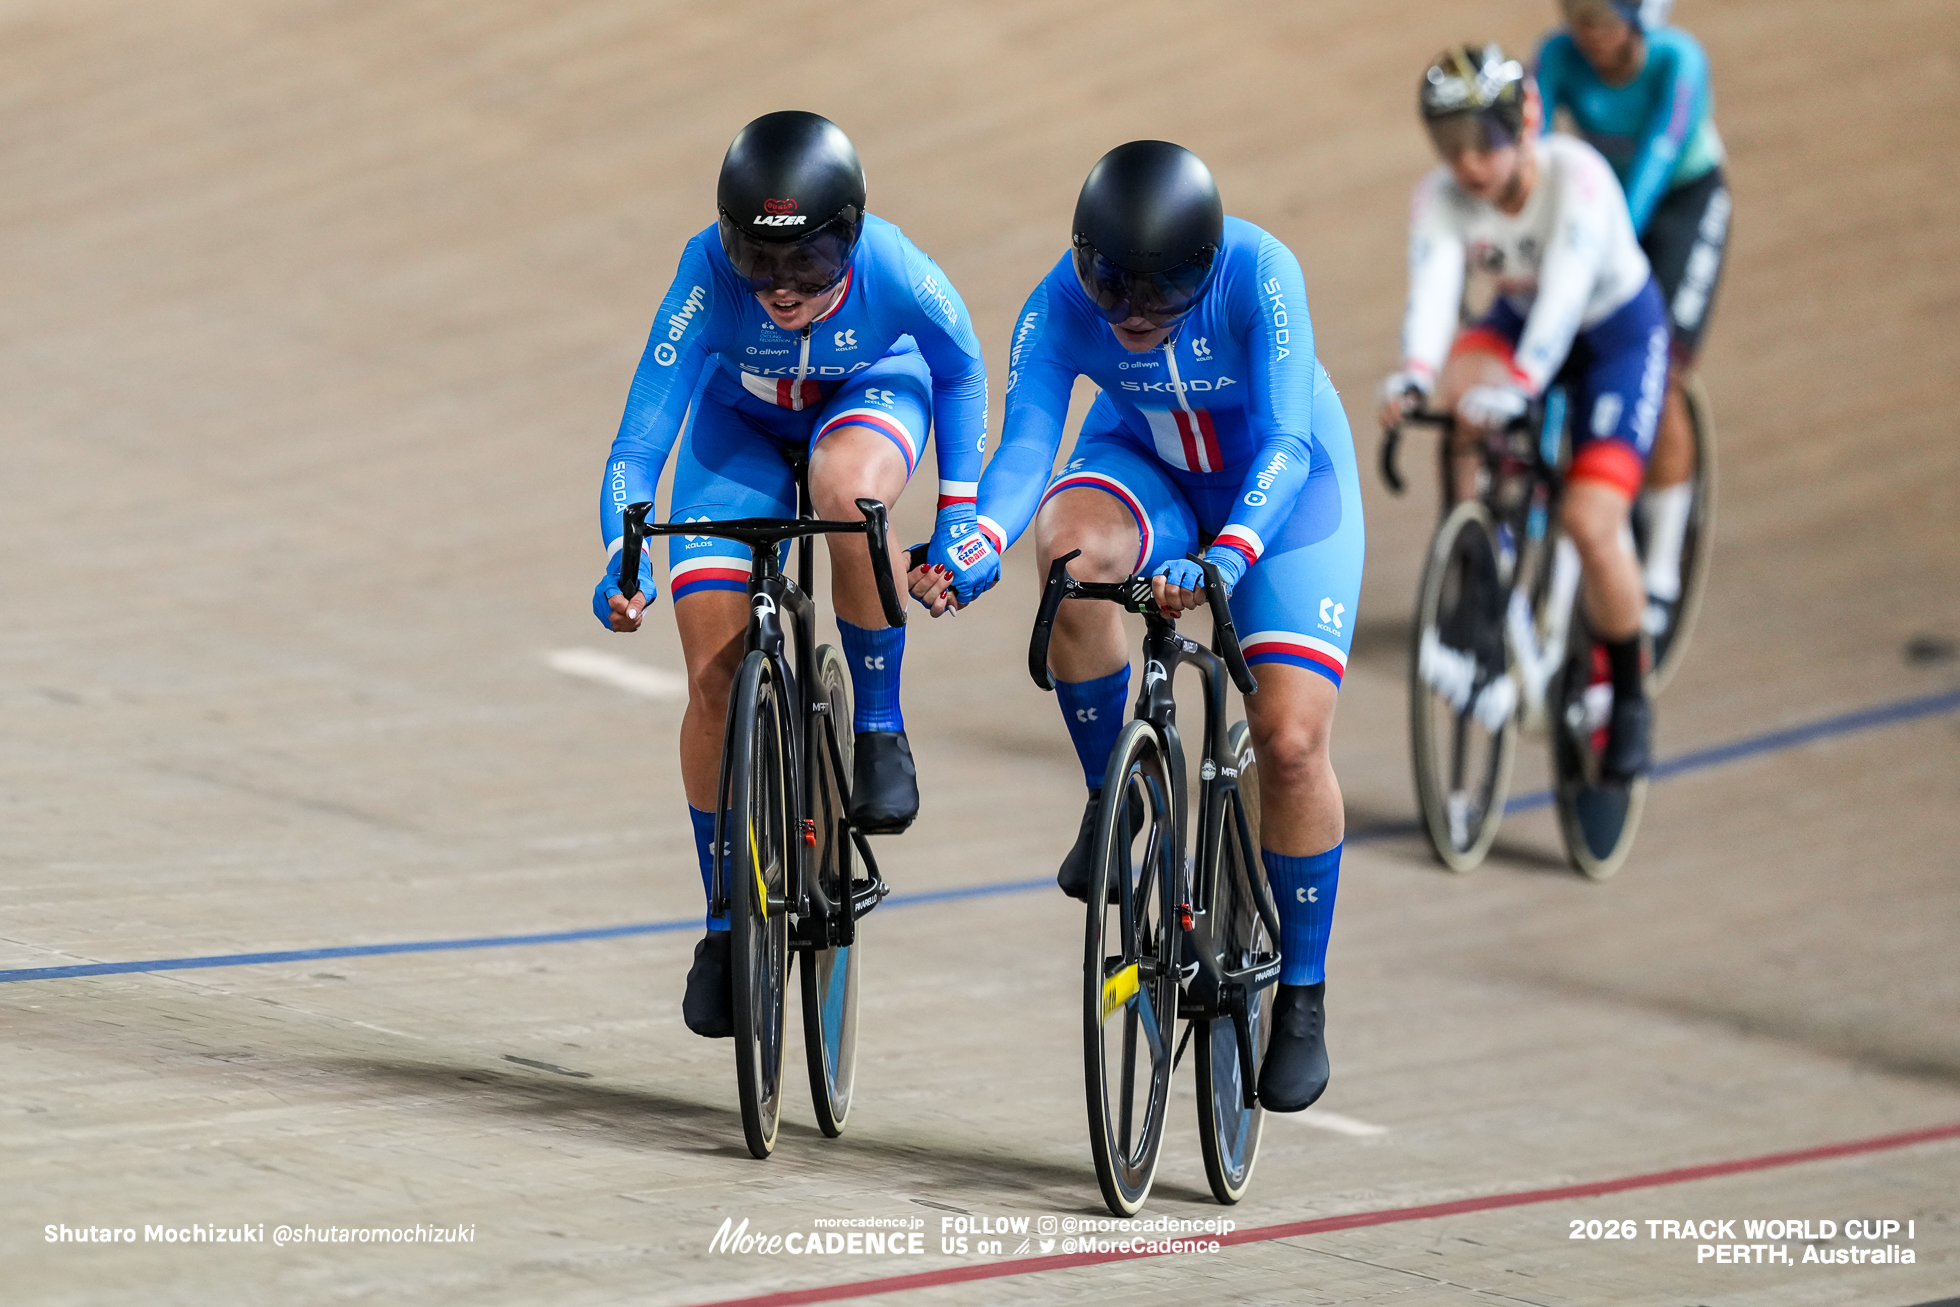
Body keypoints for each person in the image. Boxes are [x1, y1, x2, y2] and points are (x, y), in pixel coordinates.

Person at [943, 141, 1364, 1113]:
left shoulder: (1260, 274)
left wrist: (1228, 556)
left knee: (1291, 743)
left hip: (1284, 492)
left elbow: (1290, 442)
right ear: (1084, 262)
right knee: (1070, 566)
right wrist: (980, 543)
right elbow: (1023, 451)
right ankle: (1115, 798)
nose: (1132, 312)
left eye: (1163, 289)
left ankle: (1300, 990)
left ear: (1206, 265)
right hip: (1149, 466)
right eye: (1113, 290)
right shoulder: (1057, 305)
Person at [594, 111, 996, 1038]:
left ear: (850, 238)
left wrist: (960, 514)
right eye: (758, 263)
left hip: (868, 401)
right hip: (738, 428)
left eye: (807, 267)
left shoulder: (894, 266)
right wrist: (621, 558)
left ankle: (881, 725)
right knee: (712, 677)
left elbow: (963, 367)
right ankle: (724, 917)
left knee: (846, 486)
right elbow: (639, 440)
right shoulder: (703, 274)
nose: (780, 290)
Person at [1378, 45, 1667, 782]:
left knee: (1590, 522)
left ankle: (1631, 696)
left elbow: (1568, 294)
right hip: (1521, 319)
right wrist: (1415, 374)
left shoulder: (1580, 180)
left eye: (1485, 141)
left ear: (1526, 125)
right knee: (1458, 399)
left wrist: (1526, 381)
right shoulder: (1441, 198)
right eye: (1450, 146)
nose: (1468, 163)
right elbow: (1437, 292)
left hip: (1613, 337)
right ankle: (1477, 575)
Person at [1537, 0, 1729, 662]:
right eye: (1574, 13)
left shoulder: (1680, 62)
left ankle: (1665, 568)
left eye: (1602, 18)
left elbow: (1657, 156)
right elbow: (1528, 154)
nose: (1586, 32)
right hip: (1596, 211)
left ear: (1642, 18)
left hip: (1676, 203)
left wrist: (1600, 248)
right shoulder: (1557, 55)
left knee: (1661, 367)